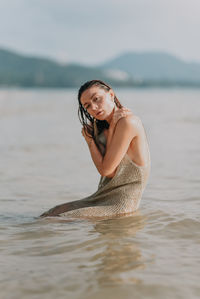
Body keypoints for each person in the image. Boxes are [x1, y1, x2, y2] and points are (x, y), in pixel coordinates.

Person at [41, 79, 150, 219]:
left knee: (56, 220)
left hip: (122, 203)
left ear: (111, 95)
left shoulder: (128, 122)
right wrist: (96, 137)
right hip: (101, 196)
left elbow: (106, 170)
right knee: (51, 213)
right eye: (87, 106)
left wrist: (91, 142)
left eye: (97, 99)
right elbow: (108, 172)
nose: (94, 107)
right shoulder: (101, 127)